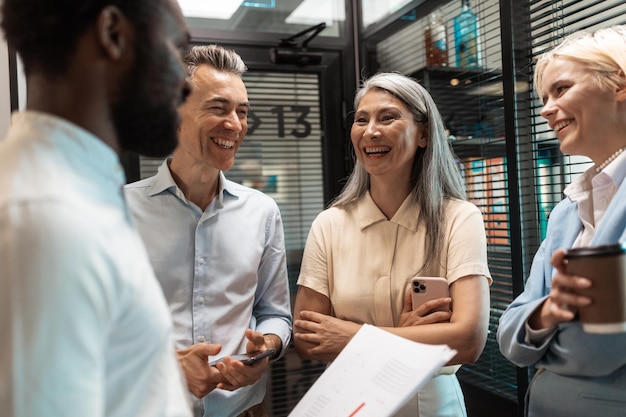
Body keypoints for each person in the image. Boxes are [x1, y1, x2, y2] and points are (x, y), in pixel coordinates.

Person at [0, 1, 193, 416]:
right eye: (176, 47)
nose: (186, 82)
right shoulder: (47, 219)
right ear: (112, 34)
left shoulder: (80, 192)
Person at [293, 72, 492, 416]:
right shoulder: (330, 224)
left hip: (430, 403)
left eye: (388, 117)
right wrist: (406, 337)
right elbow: (308, 338)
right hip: (348, 401)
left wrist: (351, 336)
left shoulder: (459, 218)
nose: (371, 131)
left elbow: (469, 340)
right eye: (361, 120)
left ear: (424, 134)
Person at [124, 44, 292, 417]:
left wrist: (268, 345)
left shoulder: (262, 212)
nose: (235, 124)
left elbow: (276, 313)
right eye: (219, 108)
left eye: (242, 112)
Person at [497, 26, 626, 417]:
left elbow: (602, 347)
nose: (546, 109)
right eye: (543, 97)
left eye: (561, 89)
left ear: (619, 84)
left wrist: (544, 346)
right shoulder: (567, 210)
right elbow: (510, 332)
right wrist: (548, 312)